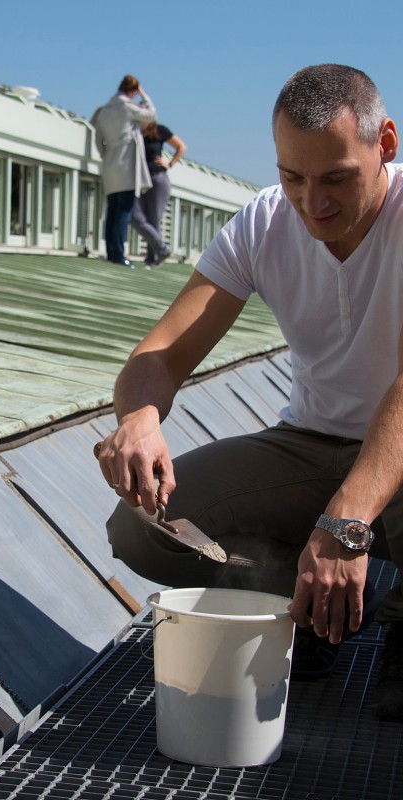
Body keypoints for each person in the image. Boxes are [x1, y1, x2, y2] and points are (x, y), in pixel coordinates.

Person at [95, 63, 403, 720]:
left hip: (396, 448)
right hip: (309, 442)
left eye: (336, 179)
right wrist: (142, 415)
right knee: (144, 529)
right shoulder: (264, 224)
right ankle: (311, 607)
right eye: (293, 177)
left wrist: (345, 523)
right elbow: (160, 353)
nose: (311, 202)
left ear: (386, 146)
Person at [91, 76, 157, 268]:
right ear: (134, 91)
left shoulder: (104, 111)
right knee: (124, 211)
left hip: (110, 162)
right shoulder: (127, 107)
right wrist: (145, 96)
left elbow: (97, 139)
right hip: (126, 164)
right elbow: (151, 114)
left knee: (112, 210)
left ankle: (112, 252)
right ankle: (119, 255)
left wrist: (107, 155)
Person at [131, 121, 187, 268]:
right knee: (135, 217)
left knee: (153, 218)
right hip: (137, 179)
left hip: (157, 179)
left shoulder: (159, 130)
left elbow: (181, 147)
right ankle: (162, 249)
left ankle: (152, 259)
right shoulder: (133, 129)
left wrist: (169, 164)